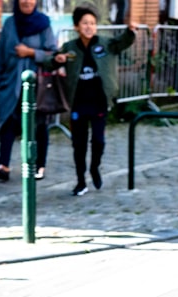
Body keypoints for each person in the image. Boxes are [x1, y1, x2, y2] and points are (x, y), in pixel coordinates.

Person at [50, 5, 135, 196]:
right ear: (76, 27)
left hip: (99, 101)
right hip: (78, 102)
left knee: (98, 140)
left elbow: (122, 43)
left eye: (92, 23)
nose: (89, 27)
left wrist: (130, 32)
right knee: (78, 144)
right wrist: (58, 59)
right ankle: (81, 181)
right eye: (85, 23)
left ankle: (95, 167)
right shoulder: (70, 47)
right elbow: (52, 60)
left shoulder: (105, 43)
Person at [0, 0, 57, 182]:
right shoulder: (10, 23)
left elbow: (53, 54)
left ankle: (39, 166)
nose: (27, 1)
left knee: (39, 125)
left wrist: (31, 52)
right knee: (7, 122)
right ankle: (3, 165)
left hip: (36, 84)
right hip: (10, 82)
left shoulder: (43, 23)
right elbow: (0, 54)